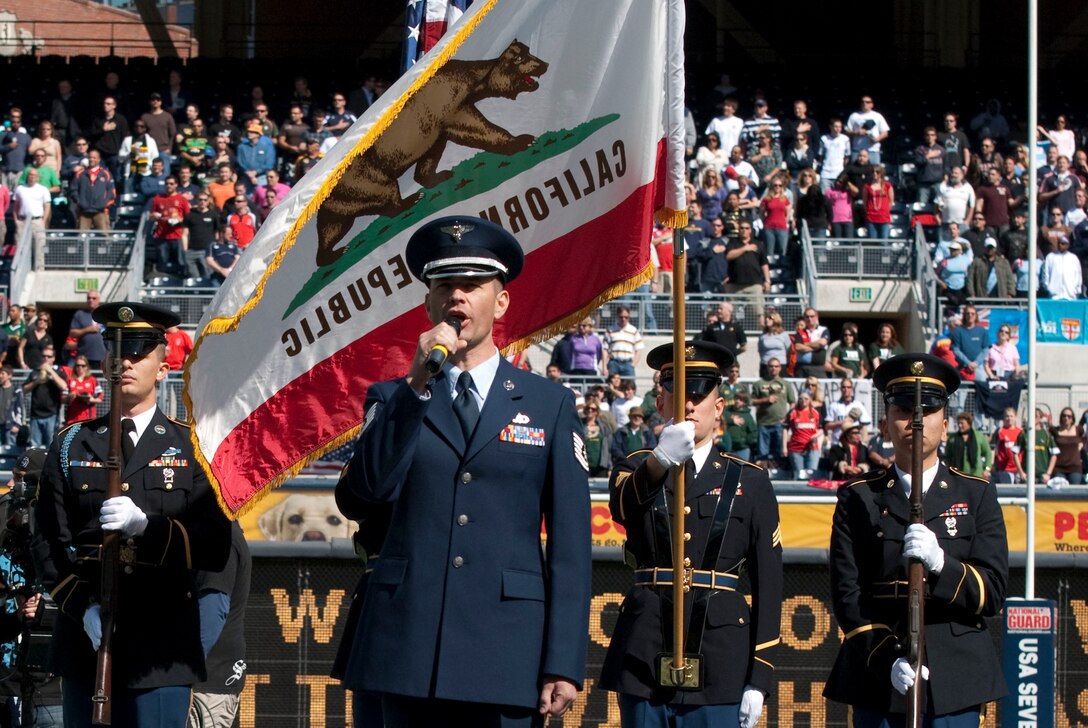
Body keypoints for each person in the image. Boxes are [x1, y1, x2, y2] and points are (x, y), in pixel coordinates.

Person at [336, 217, 591, 726]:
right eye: (445, 287)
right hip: (405, 646)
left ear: (500, 303)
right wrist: (415, 386)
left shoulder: (548, 405)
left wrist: (562, 661)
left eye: (472, 286)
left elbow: (570, 546)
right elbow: (363, 495)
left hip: (507, 650)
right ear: (428, 304)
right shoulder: (393, 398)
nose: (457, 298)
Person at [31, 301, 232, 728]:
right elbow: (48, 540)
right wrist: (79, 606)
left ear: (163, 367)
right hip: (88, 640)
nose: (123, 361)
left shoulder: (193, 448)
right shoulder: (71, 444)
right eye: (114, 347)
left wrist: (149, 527)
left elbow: (216, 545)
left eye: (138, 351)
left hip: (162, 647)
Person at [600, 340, 782, 728]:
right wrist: (659, 462)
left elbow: (769, 583)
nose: (688, 404)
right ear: (661, 402)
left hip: (721, 659)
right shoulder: (634, 466)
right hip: (645, 652)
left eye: (699, 395)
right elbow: (622, 509)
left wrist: (760, 676)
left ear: (718, 408)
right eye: (677, 393)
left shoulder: (750, 481)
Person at [824, 353, 1008, 727]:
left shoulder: (977, 494)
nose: (917, 420)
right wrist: (886, 658)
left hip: (955, 674)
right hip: (880, 672)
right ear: (886, 422)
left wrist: (942, 564)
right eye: (905, 409)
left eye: (928, 409)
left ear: (945, 423)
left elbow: (993, 592)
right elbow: (848, 595)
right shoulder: (857, 497)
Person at [188, 521, 251, 728]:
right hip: (204, 680)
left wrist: (183, 671)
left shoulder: (219, 537)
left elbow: (213, 610)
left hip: (206, 684)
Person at [751, 358, 794, 470]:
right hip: (763, 423)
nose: (773, 369)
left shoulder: (786, 384)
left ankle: (778, 474)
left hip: (779, 423)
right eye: (771, 366)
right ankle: (764, 476)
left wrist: (787, 417)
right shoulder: (759, 384)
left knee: (778, 452)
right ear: (767, 368)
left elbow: (792, 403)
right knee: (763, 454)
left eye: (776, 366)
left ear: (780, 368)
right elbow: (751, 401)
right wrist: (765, 400)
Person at [21, 344, 67, 448]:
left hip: (51, 414)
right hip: (35, 415)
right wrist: (36, 382)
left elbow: (63, 386)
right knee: (34, 447)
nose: (46, 358)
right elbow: (23, 390)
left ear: (54, 358)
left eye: (49, 356)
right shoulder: (35, 372)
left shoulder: (58, 372)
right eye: (44, 356)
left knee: (51, 446)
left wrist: (50, 371)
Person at [13, 167, 51, 270]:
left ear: (37, 177)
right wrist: (16, 220)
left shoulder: (43, 189)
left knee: (39, 247)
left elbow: (47, 206)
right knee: (21, 248)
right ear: (27, 176)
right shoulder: (20, 189)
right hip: (22, 221)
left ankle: (39, 270)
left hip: (37, 221)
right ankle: (20, 270)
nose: (32, 177)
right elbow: (16, 206)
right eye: (30, 175)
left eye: (34, 175)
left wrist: (43, 220)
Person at [824, 378, 872, 446]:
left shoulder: (858, 405)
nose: (846, 389)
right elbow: (827, 426)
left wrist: (852, 423)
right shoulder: (834, 405)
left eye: (848, 387)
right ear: (840, 388)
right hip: (837, 443)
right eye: (844, 387)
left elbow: (865, 423)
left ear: (852, 388)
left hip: (854, 444)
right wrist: (842, 422)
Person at [785, 389, 823, 478]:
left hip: (812, 448)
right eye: (801, 399)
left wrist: (815, 436)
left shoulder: (815, 413)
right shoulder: (793, 412)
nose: (803, 401)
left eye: (806, 399)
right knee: (799, 475)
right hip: (796, 448)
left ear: (810, 399)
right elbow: (785, 429)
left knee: (811, 474)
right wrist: (784, 447)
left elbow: (821, 429)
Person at [1016, 408, 1058, 486]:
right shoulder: (1023, 434)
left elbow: (1054, 455)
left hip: (1042, 475)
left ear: (1040, 418)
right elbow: (1015, 453)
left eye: (1035, 416)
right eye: (1031, 415)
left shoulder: (1046, 434)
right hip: (1027, 475)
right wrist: (1021, 472)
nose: (1032, 418)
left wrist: (1048, 473)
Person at [845, 95, 890, 165]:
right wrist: (856, 133)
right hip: (857, 150)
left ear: (872, 104)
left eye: (867, 102)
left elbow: (885, 132)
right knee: (855, 173)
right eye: (862, 102)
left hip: (873, 150)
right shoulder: (854, 116)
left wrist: (877, 139)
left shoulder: (878, 116)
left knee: (874, 172)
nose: (864, 103)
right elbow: (847, 131)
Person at [68, 291, 106, 369]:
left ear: (99, 299)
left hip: (103, 357)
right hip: (84, 359)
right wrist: (87, 329)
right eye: (88, 298)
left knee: (101, 381)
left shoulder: (105, 314)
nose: (90, 300)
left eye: (93, 298)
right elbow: (72, 333)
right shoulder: (80, 314)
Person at [604, 306, 643, 378]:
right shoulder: (610, 330)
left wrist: (633, 364)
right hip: (613, 363)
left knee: (629, 387)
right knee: (611, 386)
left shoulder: (634, 330)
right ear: (617, 316)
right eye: (621, 317)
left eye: (626, 317)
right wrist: (604, 367)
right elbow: (605, 349)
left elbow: (639, 349)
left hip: (628, 364)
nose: (623, 319)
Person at [1049, 407, 1083, 485]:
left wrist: (1081, 444)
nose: (1066, 418)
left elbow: (1084, 438)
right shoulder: (1055, 431)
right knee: (1060, 491)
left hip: (1075, 468)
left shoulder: (1078, 430)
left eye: (1069, 416)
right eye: (1064, 416)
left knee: (1075, 492)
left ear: (1072, 418)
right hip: (1059, 468)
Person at [64, 355, 102, 425]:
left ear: (87, 367)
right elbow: (62, 399)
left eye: (83, 365)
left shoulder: (93, 380)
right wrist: (70, 395)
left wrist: (90, 399)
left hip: (88, 419)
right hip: (72, 419)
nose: (80, 368)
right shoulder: (69, 380)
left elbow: (100, 398)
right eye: (78, 365)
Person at [862, 164, 894, 240]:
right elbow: (865, 202)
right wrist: (869, 211)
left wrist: (885, 211)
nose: (875, 173)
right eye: (873, 172)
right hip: (871, 217)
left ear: (881, 173)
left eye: (877, 172)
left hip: (883, 217)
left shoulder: (887, 185)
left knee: (883, 241)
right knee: (872, 241)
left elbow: (891, 201)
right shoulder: (867, 186)